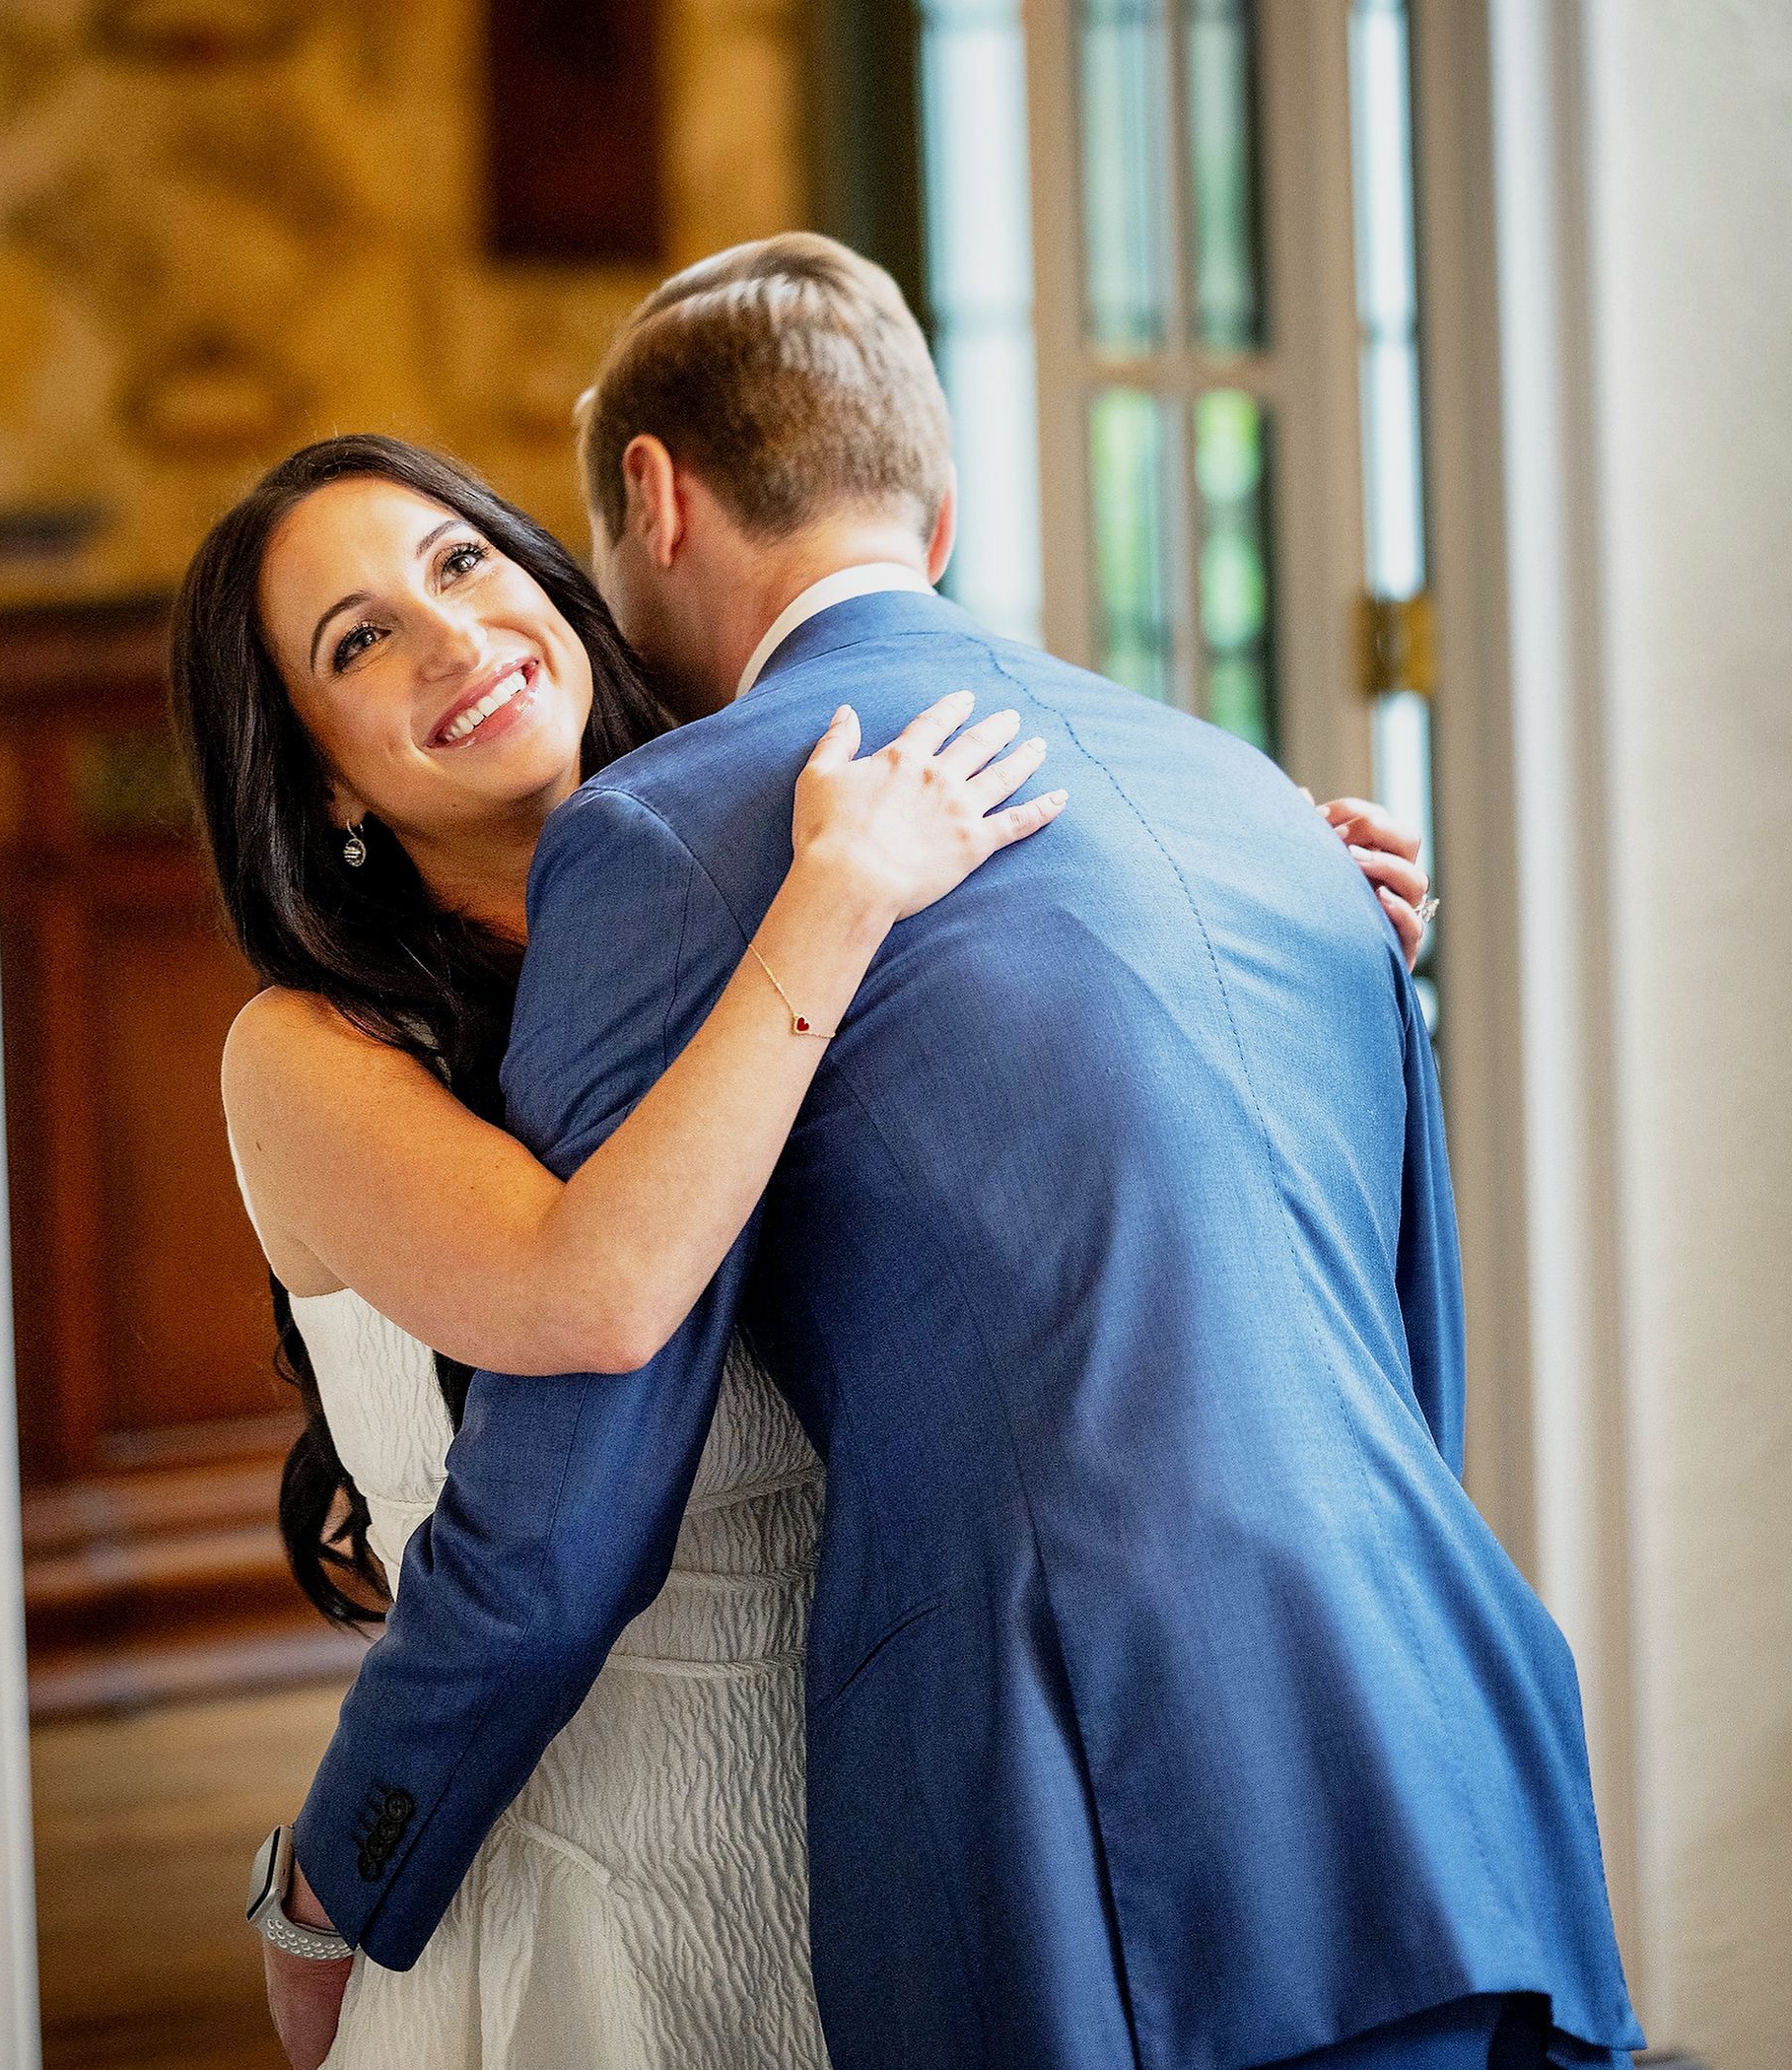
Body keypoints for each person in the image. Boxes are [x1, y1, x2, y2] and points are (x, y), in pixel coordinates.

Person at [175, 423, 1423, 2070]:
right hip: (577, 1884)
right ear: (320, 771)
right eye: (359, 642)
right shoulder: (307, 1055)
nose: (452, 638)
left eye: (460, 562)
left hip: (912, 1848)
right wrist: (327, 1890)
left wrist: (1275, 907)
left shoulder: (816, 855)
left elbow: (1087, 1197)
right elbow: (595, 1292)